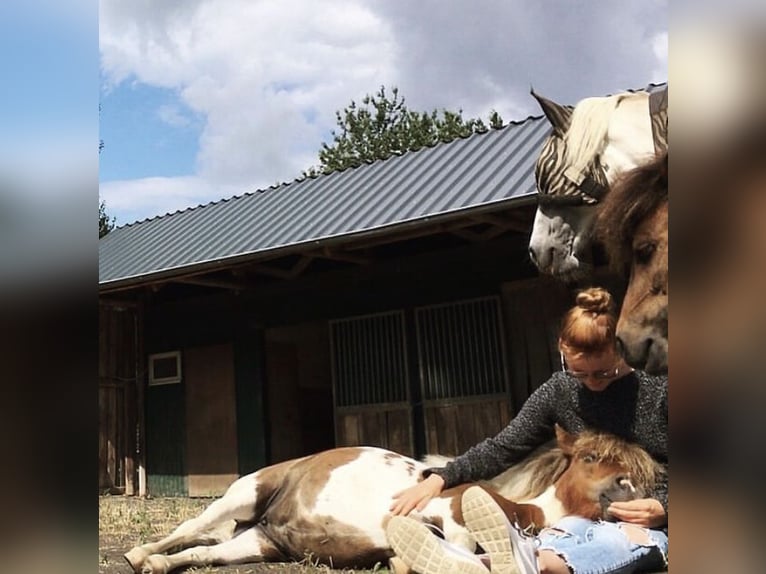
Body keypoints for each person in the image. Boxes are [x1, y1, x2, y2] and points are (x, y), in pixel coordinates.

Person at [386, 287, 668, 574]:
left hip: (648, 520)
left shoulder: (659, 390)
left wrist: (664, 507)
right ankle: (478, 563)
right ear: (562, 349)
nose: (592, 383)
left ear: (621, 349)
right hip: (585, 517)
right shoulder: (559, 391)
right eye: (579, 373)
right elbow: (504, 447)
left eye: (604, 372)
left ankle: (488, 563)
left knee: (596, 550)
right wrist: (442, 477)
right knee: (556, 537)